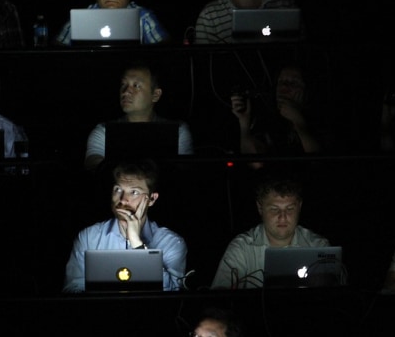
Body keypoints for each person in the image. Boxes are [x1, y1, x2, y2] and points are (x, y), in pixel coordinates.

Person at [62, 159, 187, 293]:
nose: (122, 199)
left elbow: (172, 294)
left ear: (152, 199)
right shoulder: (88, 237)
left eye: (134, 192)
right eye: (118, 189)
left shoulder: (172, 242)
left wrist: (137, 245)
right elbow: (72, 290)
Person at [212, 175, 331, 289]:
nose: (283, 217)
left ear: (299, 207)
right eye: (274, 209)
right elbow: (218, 300)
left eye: (290, 209)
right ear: (260, 208)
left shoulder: (319, 246)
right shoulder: (241, 248)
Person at [84, 60, 194, 172]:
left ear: (155, 95)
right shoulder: (103, 132)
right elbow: (94, 168)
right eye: (123, 84)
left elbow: (184, 173)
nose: (126, 91)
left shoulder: (178, 131)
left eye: (136, 86)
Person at [229, 63, 327, 169]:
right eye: (281, 82)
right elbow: (255, 163)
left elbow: (318, 162)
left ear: (306, 90)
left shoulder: (321, 121)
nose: (284, 86)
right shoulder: (269, 121)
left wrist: (297, 120)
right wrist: (244, 123)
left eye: (293, 83)